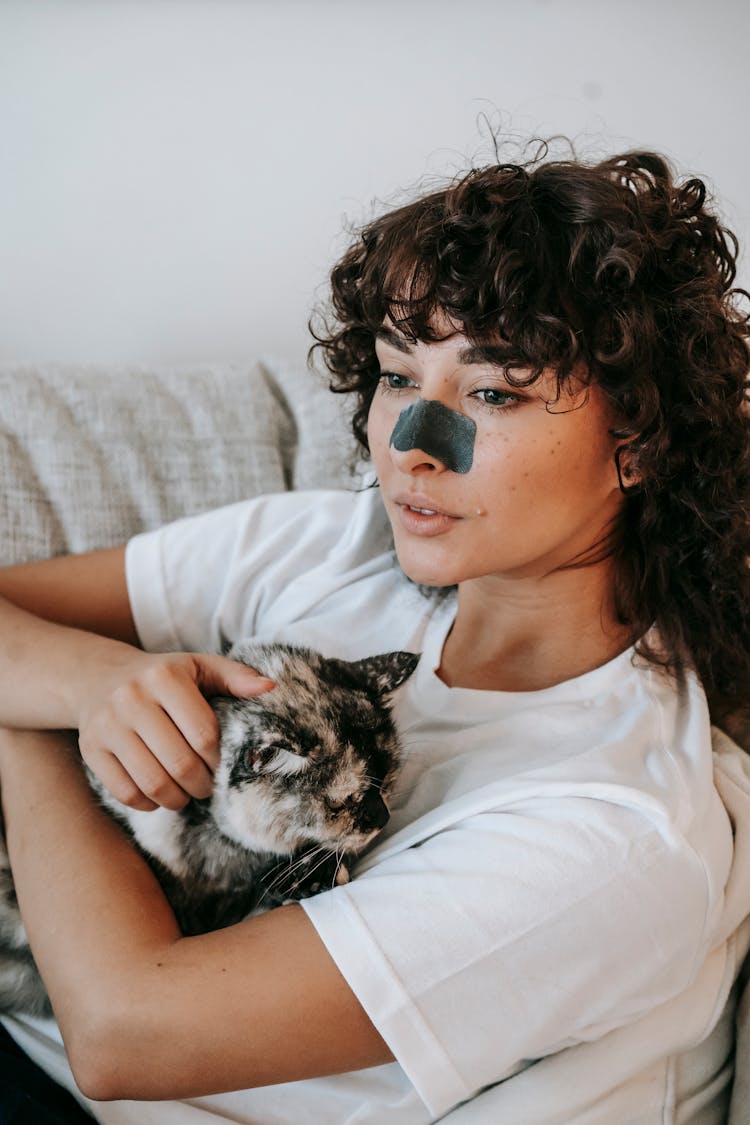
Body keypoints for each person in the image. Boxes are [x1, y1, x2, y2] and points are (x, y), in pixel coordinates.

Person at [0, 142, 748, 1124]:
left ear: (640, 439)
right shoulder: (340, 540)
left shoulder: (611, 838)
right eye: (400, 379)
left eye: (492, 392)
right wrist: (86, 683)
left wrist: (40, 704)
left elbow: (120, 1030)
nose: (410, 448)